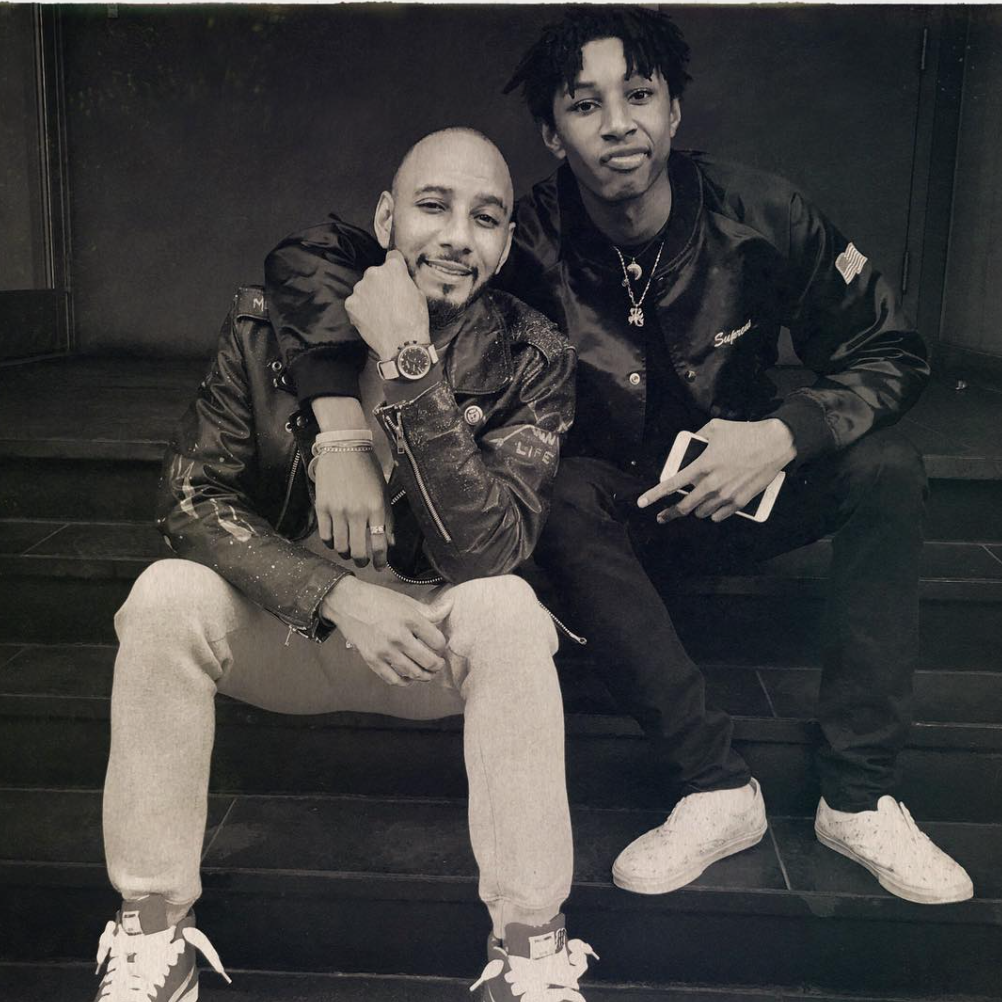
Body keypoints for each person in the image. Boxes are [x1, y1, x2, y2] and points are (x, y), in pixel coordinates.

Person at [271, 11, 973, 907]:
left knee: (889, 468)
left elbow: (892, 348)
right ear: (551, 133)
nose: (618, 125)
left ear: (673, 111)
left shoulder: (762, 214)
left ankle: (861, 798)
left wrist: (783, 433)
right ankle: (715, 788)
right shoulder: (520, 235)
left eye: (639, 95)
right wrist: (338, 423)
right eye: (584, 105)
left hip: (744, 488)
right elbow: (310, 259)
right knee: (561, 492)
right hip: (607, 523)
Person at [92, 128, 599, 1002]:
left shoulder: (533, 355)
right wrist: (333, 593)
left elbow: (488, 550)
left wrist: (411, 364)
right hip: (290, 635)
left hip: (426, 646)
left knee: (510, 608)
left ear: (506, 242)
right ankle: (151, 933)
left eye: (486, 218)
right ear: (385, 219)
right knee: (165, 593)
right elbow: (190, 497)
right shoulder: (267, 325)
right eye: (433, 206)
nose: (457, 237)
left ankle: (529, 951)